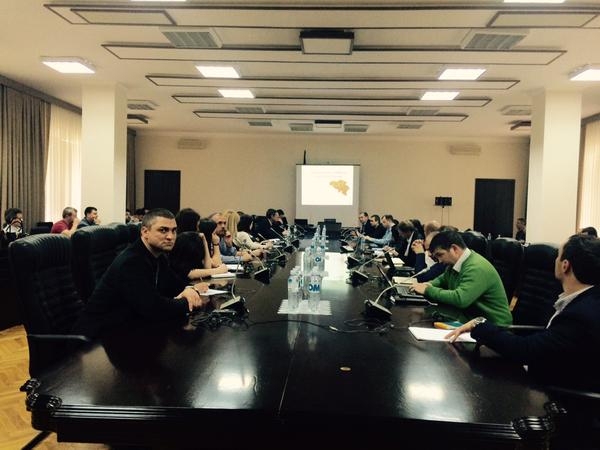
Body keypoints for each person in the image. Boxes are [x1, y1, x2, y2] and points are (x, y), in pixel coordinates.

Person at [446, 234, 600, 391]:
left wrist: (479, 324)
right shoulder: (587, 300)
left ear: (565, 265)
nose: (555, 260)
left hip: (560, 395)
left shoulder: (581, 315)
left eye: (558, 256)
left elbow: (525, 350)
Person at [72, 209, 209, 339]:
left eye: (174, 231)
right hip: (97, 339)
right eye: (163, 230)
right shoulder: (131, 262)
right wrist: (188, 301)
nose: (170, 237)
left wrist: (189, 290)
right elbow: (154, 308)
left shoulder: (157, 256)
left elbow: (174, 286)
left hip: (128, 328)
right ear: (145, 232)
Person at [412, 230, 512, 326]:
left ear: (454, 249)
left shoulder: (476, 267)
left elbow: (460, 299)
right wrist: (428, 285)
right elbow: (441, 280)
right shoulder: (455, 265)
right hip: (471, 320)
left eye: (440, 255)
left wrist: (427, 290)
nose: (440, 261)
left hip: (494, 327)